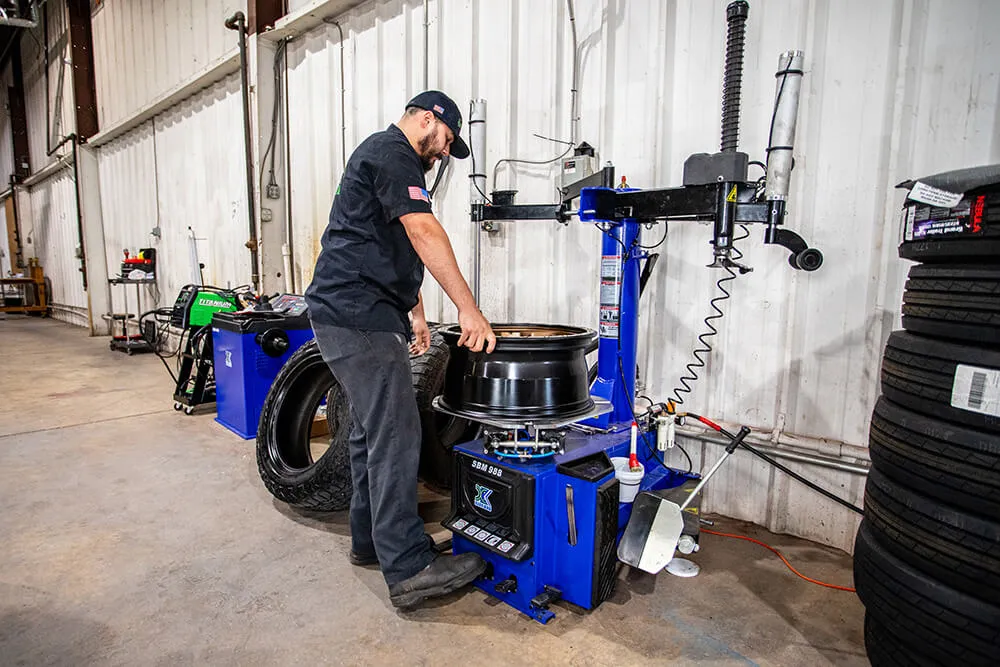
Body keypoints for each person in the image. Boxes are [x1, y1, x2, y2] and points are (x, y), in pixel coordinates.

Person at [305, 91, 497, 609]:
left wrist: (414, 311)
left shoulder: (381, 156)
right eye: (446, 142)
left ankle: (372, 542)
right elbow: (421, 228)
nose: (442, 154)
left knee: (371, 434)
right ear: (428, 119)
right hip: (356, 316)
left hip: (352, 313)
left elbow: (383, 241)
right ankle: (410, 567)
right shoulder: (394, 153)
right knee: (396, 432)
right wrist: (468, 309)